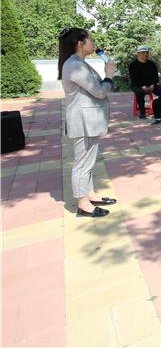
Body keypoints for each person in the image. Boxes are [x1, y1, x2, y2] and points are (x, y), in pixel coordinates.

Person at [59, 28, 117, 218]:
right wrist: (109, 74)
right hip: (83, 121)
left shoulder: (78, 63)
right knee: (82, 163)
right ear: (80, 43)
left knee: (88, 161)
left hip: (87, 120)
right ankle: (82, 204)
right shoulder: (74, 65)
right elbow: (100, 91)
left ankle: (89, 194)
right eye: (90, 39)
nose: (93, 43)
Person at [129, 46, 160, 118]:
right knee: (139, 92)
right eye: (143, 53)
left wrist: (153, 84)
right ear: (138, 54)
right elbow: (134, 79)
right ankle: (142, 113)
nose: (145, 54)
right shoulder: (133, 65)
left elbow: (155, 76)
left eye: (146, 53)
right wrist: (142, 86)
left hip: (151, 85)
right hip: (138, 85)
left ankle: (158, 107)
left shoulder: (151, 64)